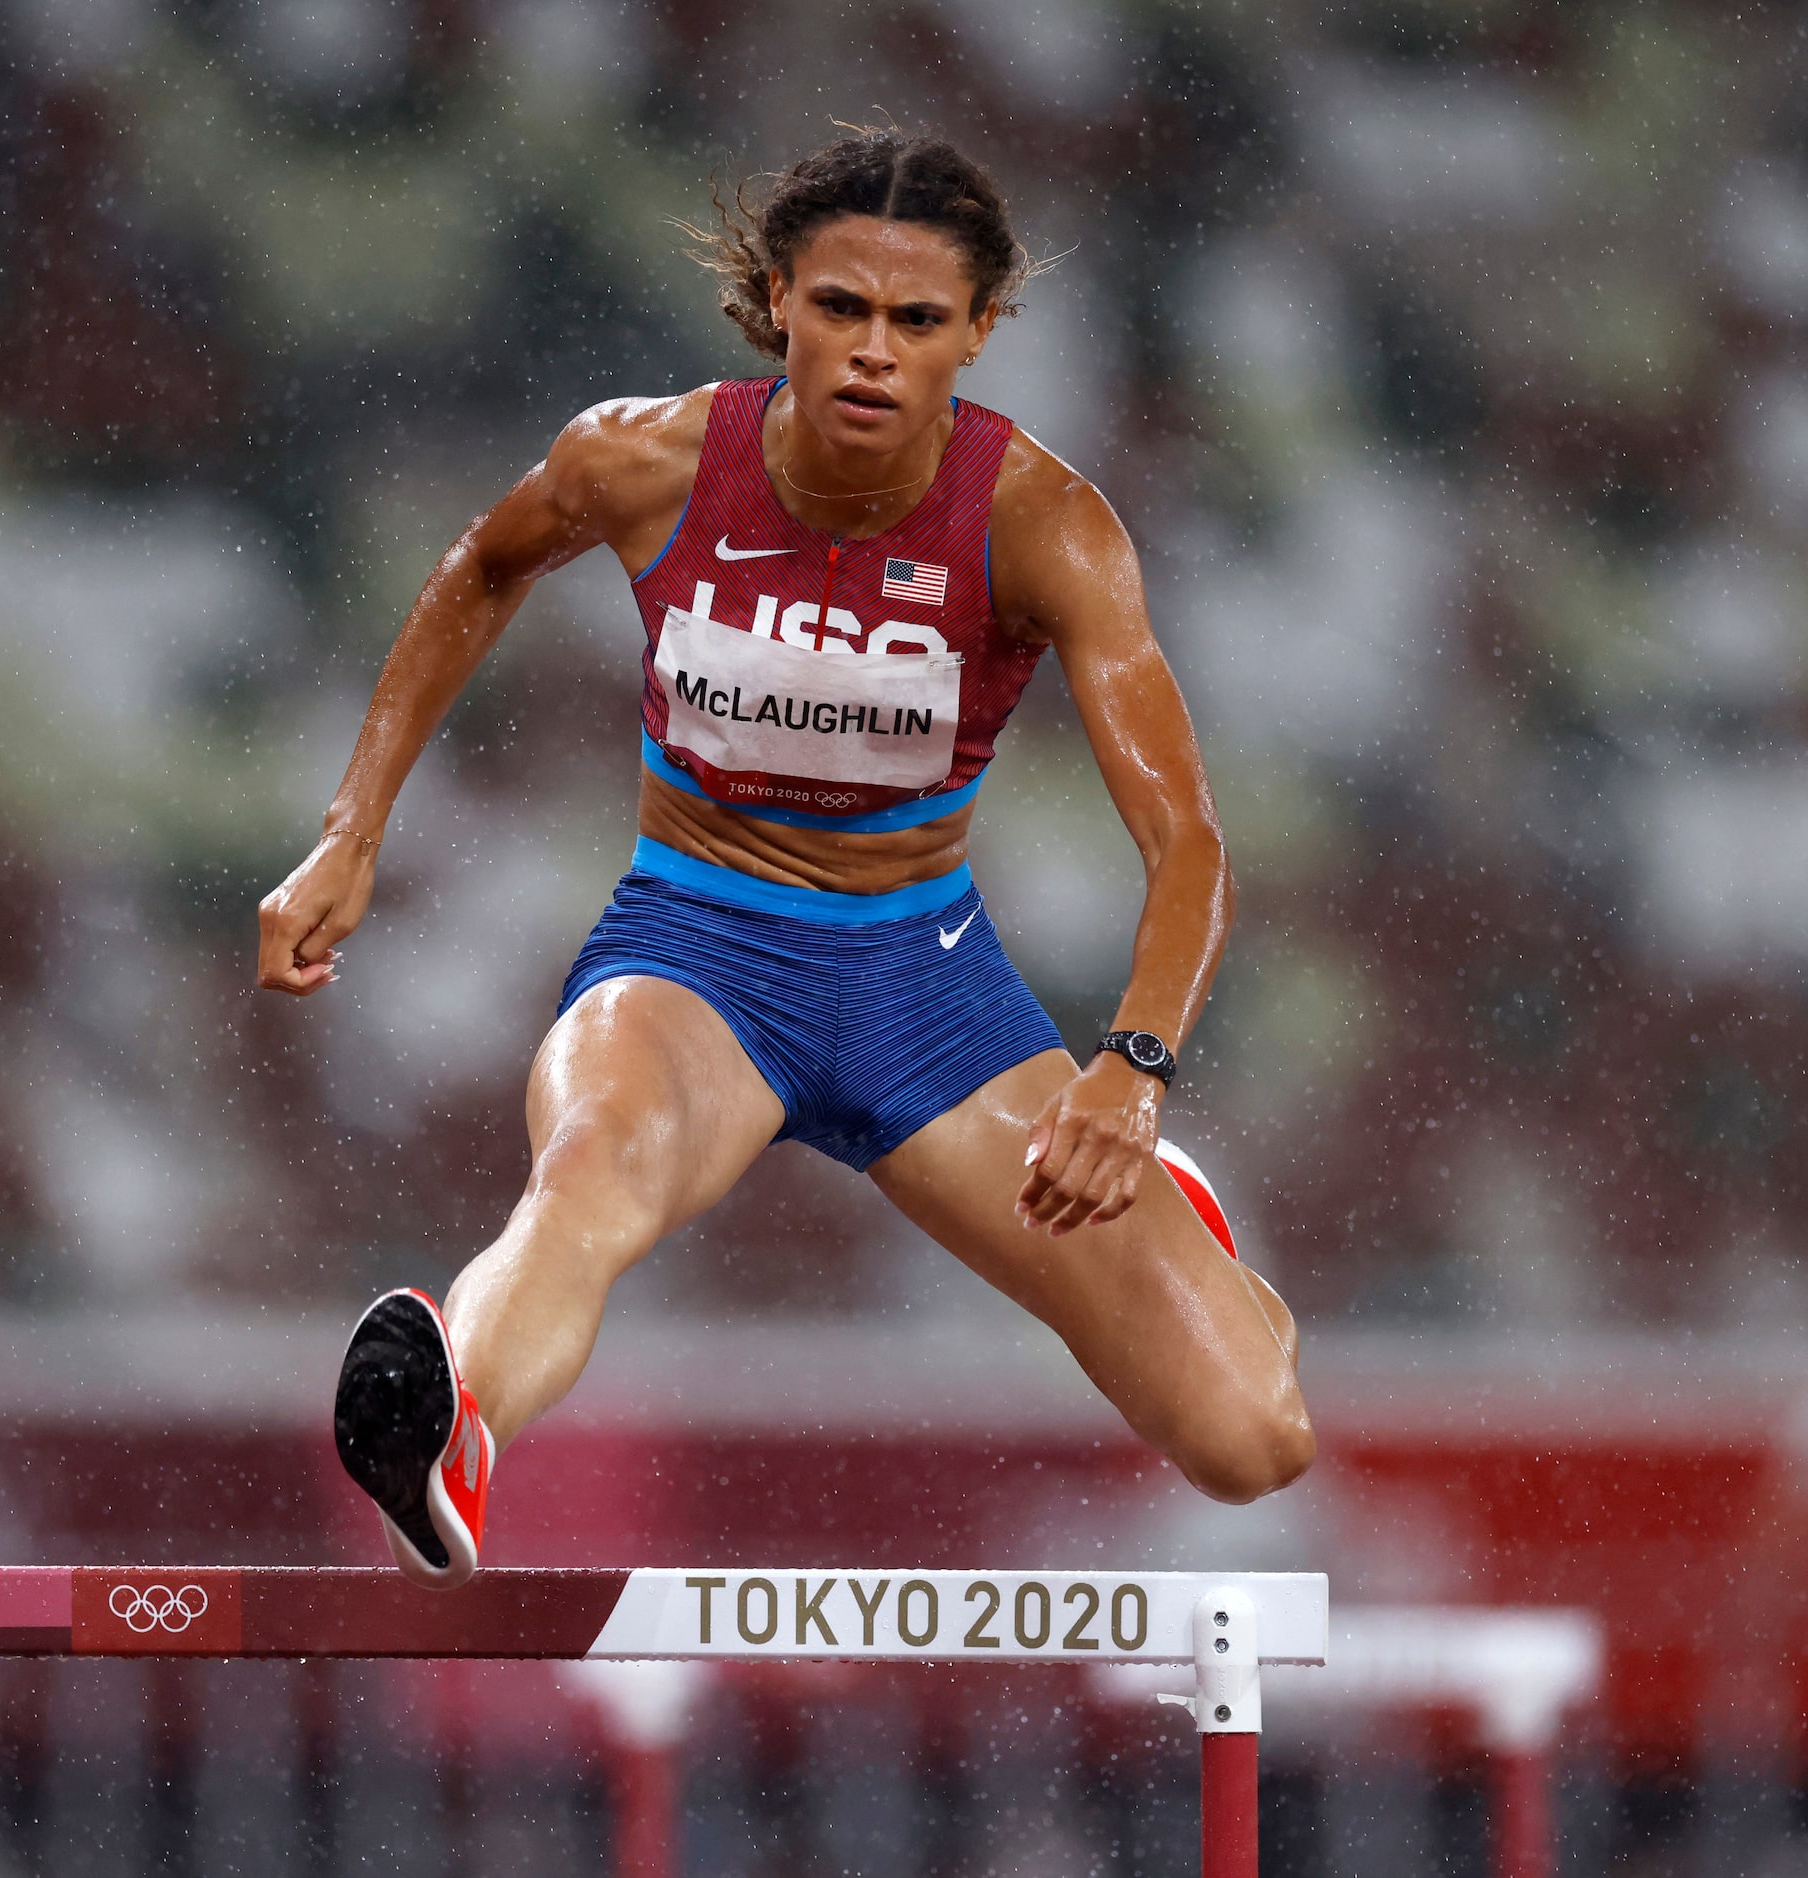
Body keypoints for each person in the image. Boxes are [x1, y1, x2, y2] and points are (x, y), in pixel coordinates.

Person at [259, 126, 1315, 1588]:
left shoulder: (1045, 525)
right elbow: (483, 568)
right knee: (589, 1177)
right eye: (841, 310)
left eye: (918, 322)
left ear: (978, 334)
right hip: (697, 950)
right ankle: (450, 1421)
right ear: (776, 302)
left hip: (924, 988)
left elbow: (1189, 844)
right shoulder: (646, 459)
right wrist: (350, 836)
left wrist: (1132, 1069)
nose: (875, 354)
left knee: (1253, 1439)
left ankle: (1187, 1227)